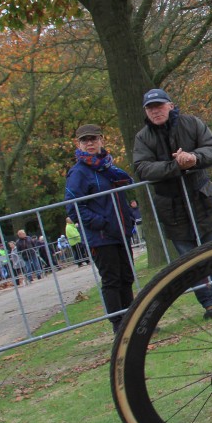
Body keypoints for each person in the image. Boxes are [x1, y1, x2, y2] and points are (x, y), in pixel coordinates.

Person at [133, 88, 212, 318]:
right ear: (145, 111)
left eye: (159, 106)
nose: (155, 111)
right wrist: (175, 166)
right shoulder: (142, 137)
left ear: (170, 105)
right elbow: (142, 168)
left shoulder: (192, 123)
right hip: (171, 208)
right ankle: (210, 303)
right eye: (150, 108)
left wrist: (193, 158)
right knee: (190, 262)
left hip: (201, 199)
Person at [65, 124, 137, 333]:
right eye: (85, 140)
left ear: (101, 140)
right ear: (79, 144)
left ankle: (131, 320)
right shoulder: (78, 173)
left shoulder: (109, 168)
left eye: (93, 139)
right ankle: (119, 325)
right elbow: (73, 207)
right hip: (101, 236)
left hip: (121, 232)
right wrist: (100, 222)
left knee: (126, 277)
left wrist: (128, 219)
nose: (90, 143)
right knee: (112, 279)